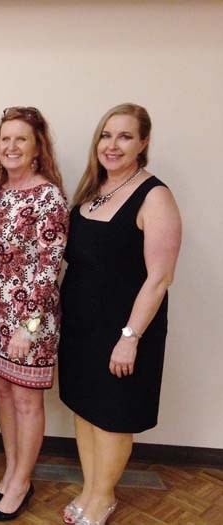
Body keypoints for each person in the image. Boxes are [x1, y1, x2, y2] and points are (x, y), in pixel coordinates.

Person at [59, 103, 181, 525]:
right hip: (81, 326)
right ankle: (91, 490)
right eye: (106, 135)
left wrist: (130, 337)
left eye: (125, 136)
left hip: (123, 329)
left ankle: (103, 497)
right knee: (85, 408)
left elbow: (159, 278)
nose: (112, 145)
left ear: (143, 142)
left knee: (112, 416)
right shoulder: (92, 190)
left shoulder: (155, 196)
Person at [0, 107, 69, 521]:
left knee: (26, 401)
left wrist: (28, 326)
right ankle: (12, 469)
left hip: (30, 322)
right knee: (2, 393)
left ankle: (22, 481)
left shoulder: (48, 195)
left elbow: (49, 268)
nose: (11, 147)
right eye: (5, 139)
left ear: (37, 149)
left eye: (21, 139)